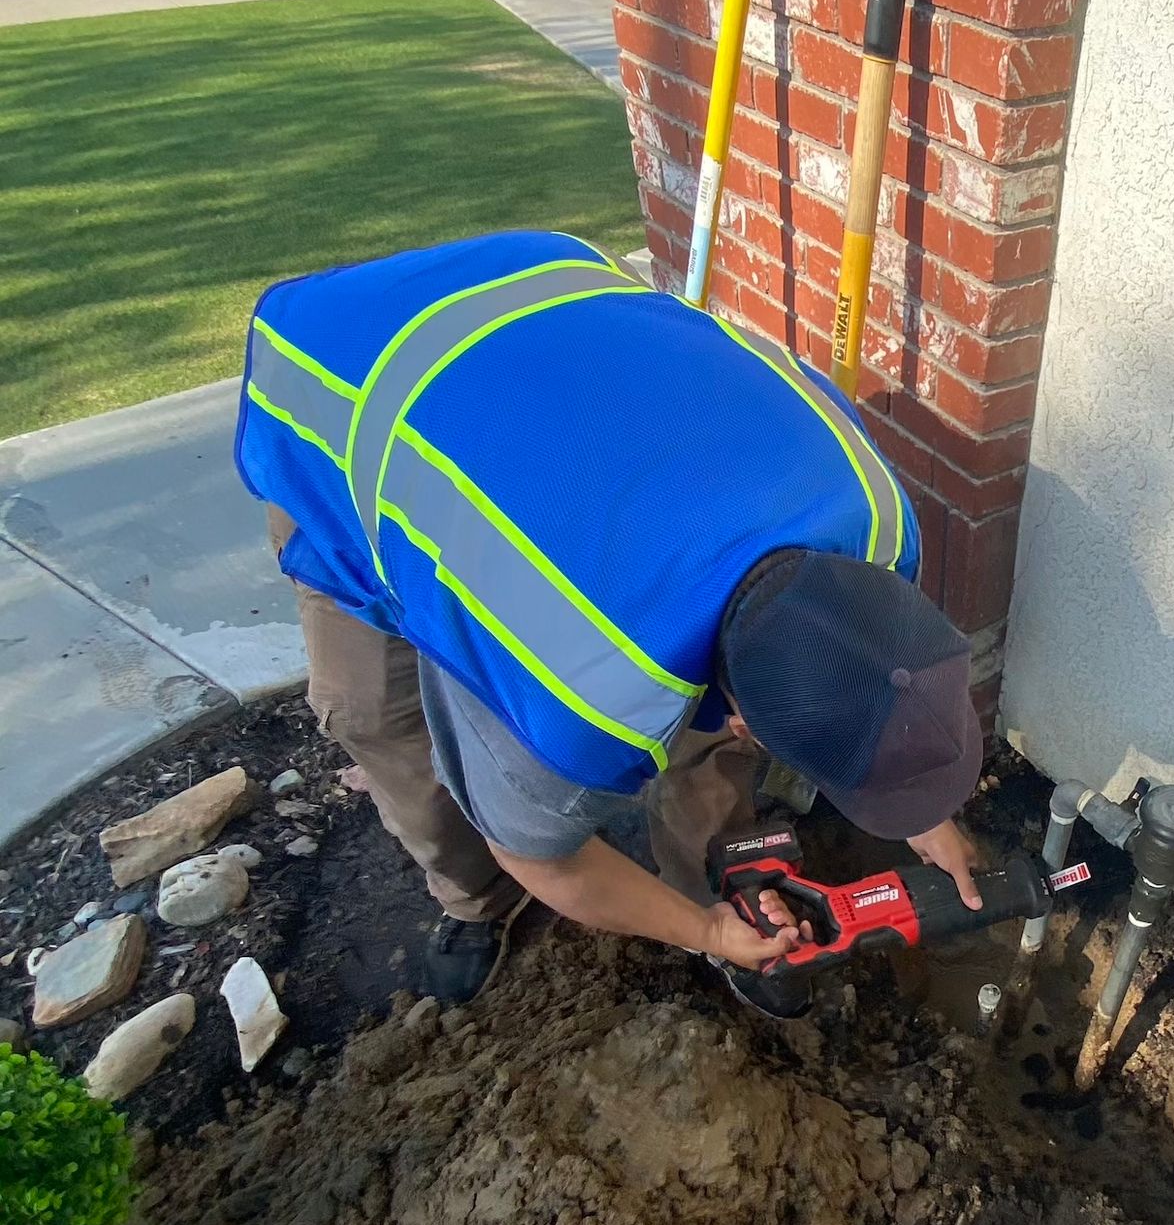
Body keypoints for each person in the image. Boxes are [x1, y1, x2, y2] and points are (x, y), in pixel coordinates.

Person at [235, 230, 984, 1008]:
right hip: (340, 387)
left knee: (745, 683)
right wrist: (706, 933)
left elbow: (862, 674)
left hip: (550, 307)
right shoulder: (583, 691)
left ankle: (718, 873)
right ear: (742, 726)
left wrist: (920, 798)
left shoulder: (879, 521)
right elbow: (549, 861)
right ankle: (475, 902)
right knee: (375, 709)